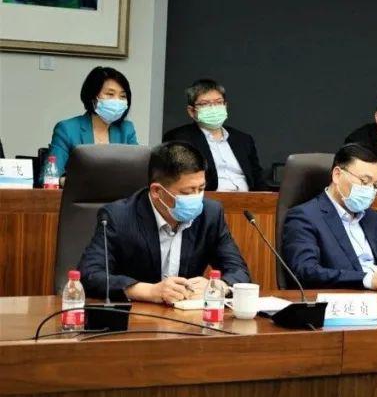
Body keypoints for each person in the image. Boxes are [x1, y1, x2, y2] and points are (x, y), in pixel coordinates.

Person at [76, 141, 250, 303]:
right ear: (157, 191)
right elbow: (89, 275)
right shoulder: (118, 216)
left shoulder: (210, 214)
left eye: (201, 189)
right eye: (188, 192)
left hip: (188, 317)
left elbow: (239, 272)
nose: (197, 198)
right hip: (137, 316)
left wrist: (219, 287)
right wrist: (149, 291)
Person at [281, 143, 377, 291]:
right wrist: (367, 280)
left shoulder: (372, 217)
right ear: (337, 175)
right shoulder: (304, 217)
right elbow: (307, 272)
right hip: (341, 299)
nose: (370, 190)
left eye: (376, 185)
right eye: (364, 181)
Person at [162, 79, 268, 191]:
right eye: (204, 104)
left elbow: (258, 177)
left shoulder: (243, 139)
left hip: (248, 199)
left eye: (218, 102)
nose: (213, 108)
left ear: (225, 106)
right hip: (207, 199)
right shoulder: (180, 138)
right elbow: (180, 179)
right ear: (191, 111)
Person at [49, 66, 139, 179]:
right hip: (80, 190)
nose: (117, 101)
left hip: (119, 191)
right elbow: (50, 176)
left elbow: (138, 171)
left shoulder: (126, 129)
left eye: (123, 96)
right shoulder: (67, 129)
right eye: (110, 94)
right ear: (93, 97)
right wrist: (70, 182)